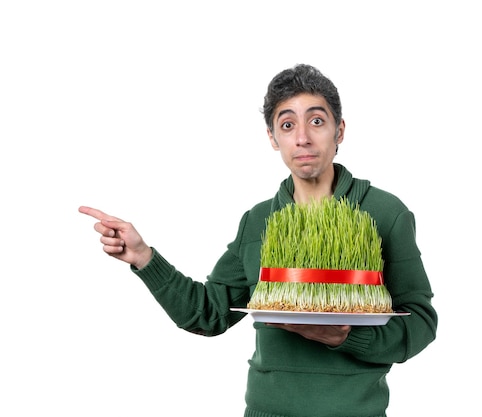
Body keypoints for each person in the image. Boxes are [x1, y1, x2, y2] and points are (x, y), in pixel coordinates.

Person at [78, 64, 438, 417]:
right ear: (272, 137)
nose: (302, 138)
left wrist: (346, 337)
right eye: (287, 125)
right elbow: (208, 314)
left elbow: (421, 321)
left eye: (316, 121)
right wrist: (144, 258)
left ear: (339, 130)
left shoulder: (386, 213)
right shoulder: (258, 221)